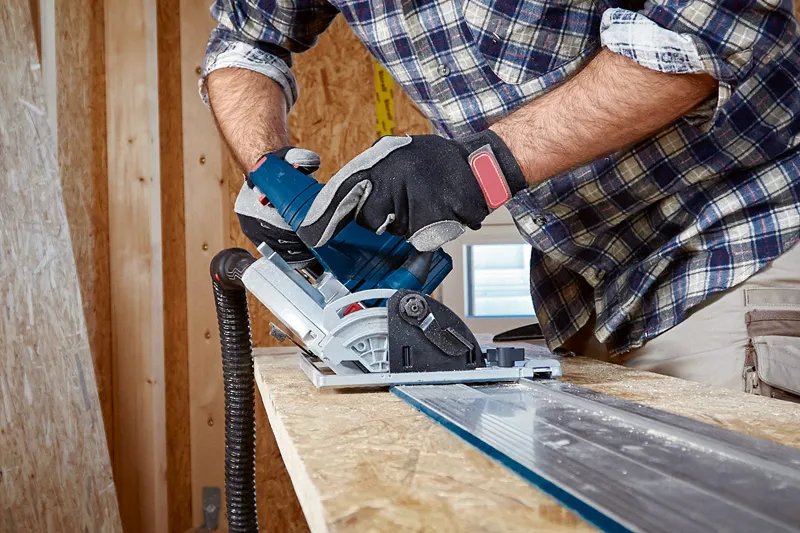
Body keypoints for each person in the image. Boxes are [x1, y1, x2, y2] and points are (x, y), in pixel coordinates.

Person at [202, 0, 800, 399]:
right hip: (584, 289)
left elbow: (712, 24)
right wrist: (268, 168)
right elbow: (244, 40)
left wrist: (479, 168)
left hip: (732, 237)